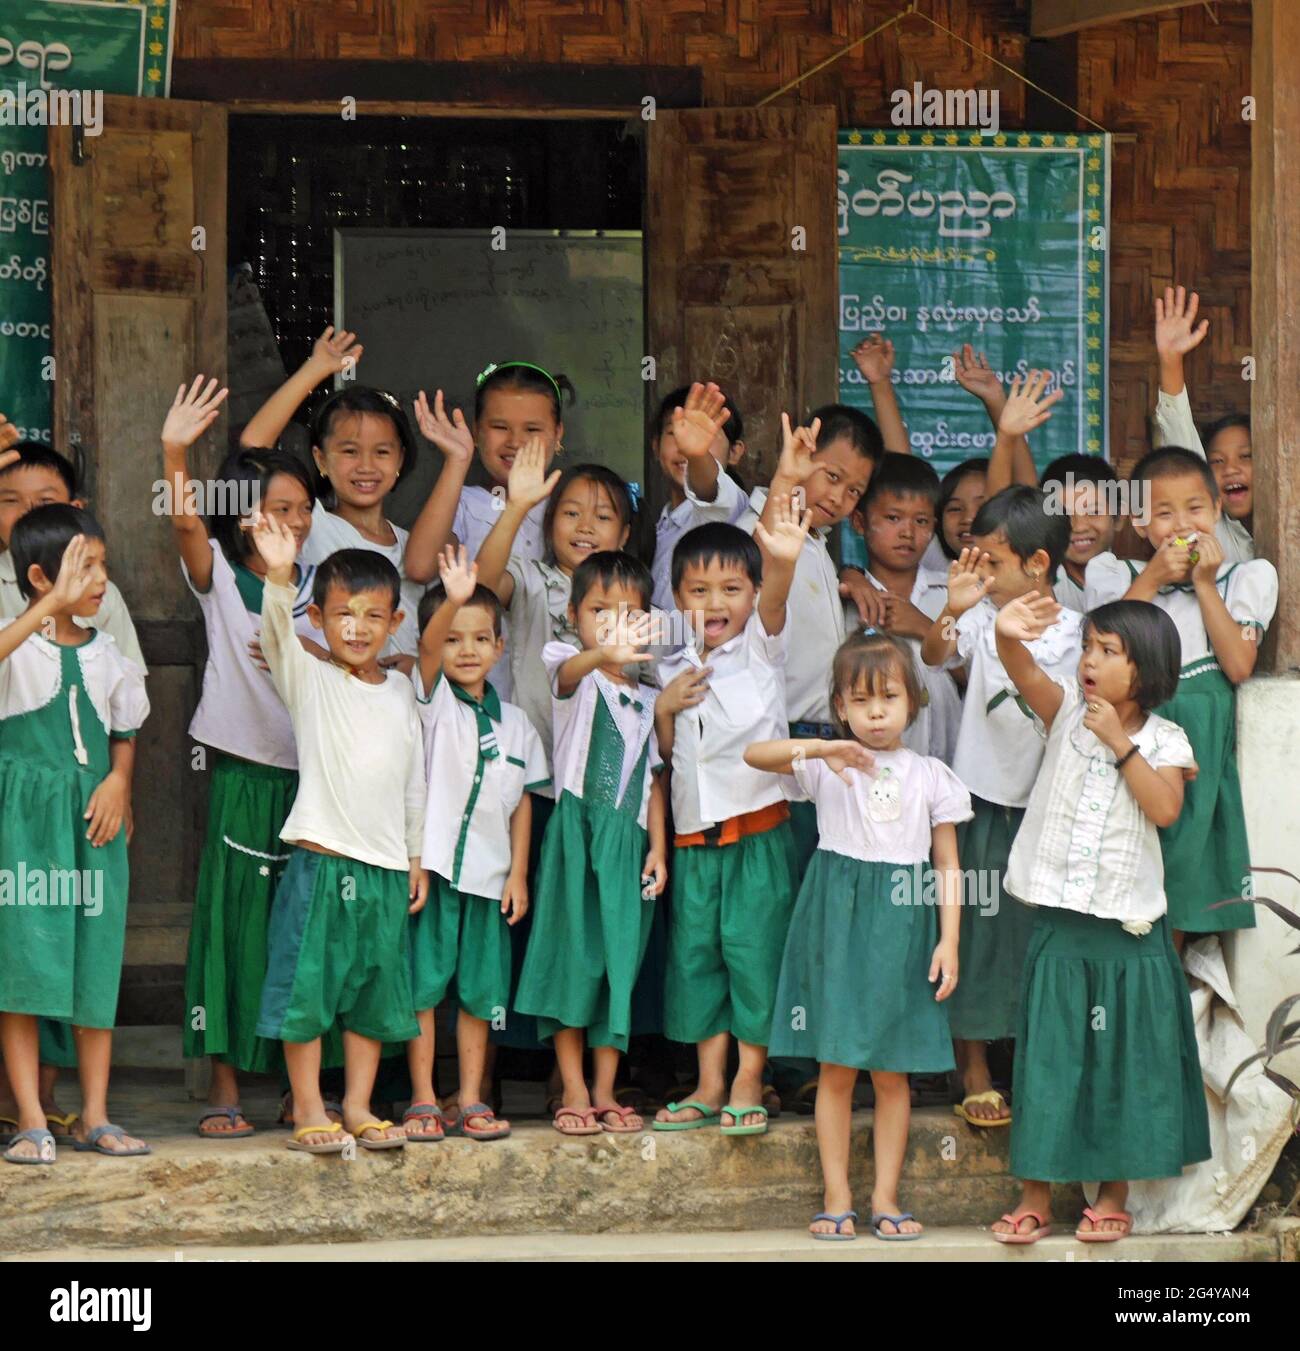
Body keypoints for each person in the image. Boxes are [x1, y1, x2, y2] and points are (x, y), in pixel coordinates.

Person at [988, 595, 1211, 1243]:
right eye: (1088, 646)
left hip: (1129, 934)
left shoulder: (1166, 738)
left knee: (1123, 1062)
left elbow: (1165, 808)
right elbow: (1022, 670)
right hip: (1062, 930)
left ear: (1144, 669)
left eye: (1108, 651)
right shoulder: (1063, 713)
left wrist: (1119, 742)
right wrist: (1006, 634)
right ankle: (1035, 1196)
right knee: (1050, 1061)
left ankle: (1113, 1194)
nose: (1090, 660)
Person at [745, 632, 968, 1240]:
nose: (876, 712)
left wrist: (948, 940)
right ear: (839, 707)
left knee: (893, 1073)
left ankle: (887, 1197)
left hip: (903, 925)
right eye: (860, 700)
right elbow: (755, 756)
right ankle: (836, 1193)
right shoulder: (828, 766)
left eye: (889, 697)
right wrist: (822, 752)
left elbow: (948, 866)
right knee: (837, 1067)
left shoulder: (932, 776)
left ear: (913, 702)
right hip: (836, 923)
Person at [162, 376, 335, 1138]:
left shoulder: (321, 596)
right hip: (239, 777)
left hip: (316, 784)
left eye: (302, 508)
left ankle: (303, 1092)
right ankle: (225, 1083)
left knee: (304, 927)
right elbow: (187, 528)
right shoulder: (222, 584)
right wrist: (175, 452)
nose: (293, 520)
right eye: (277, 509)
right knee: (234, 922)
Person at [249, 519, 426, 1155]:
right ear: (318, 620)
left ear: (395, 621)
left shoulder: (404, 690)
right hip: (321, 863)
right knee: (307, 992)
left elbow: (413, 782)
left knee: (372, 997)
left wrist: (415, 857)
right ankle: (306, 1107)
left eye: (371, 615)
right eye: (341, 614)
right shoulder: (311, 681)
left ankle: (356, 1104)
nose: (356, 627)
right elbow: (275, 639)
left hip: (383, 870)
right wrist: (277, 578)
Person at [921, 486, 1082, 1127]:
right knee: (976, 934)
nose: (977, 573)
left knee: (1034, 937)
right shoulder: (979, 620)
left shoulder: (1076, 632)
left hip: (1044, 808)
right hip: (979, 801)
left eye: (991, 561)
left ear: (1037, 566)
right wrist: (949, 612)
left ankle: (1032, 1068)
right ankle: (975, 1071)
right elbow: (936, 657)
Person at [0, 438, 145, 1140]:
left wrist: (119, 779)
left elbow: (126, 729)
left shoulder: (108, 651)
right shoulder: (14, 643)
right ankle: (30, 1115)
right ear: (37, 575)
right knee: (24, 958)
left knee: (95, 957)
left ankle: (93, 1113)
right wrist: (42, 607)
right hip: (25, 823)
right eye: (84, 569)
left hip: (93, 820)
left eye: (102, 566)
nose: (99, 581)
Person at [651, 501, 808, 1136]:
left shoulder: (760, 650)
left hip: (758, 836)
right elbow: (665, 757)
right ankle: (709, 1083)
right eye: (698, 590)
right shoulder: (669, 663)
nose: (715, 602)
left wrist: (784, 565)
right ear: (677, 596)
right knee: (697, 960)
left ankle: (750, 1077)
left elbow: (775, 602)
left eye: (731, 589)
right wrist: (664, 707)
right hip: (694, 842)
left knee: (753, 957)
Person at [1084, 446, 1277, 939]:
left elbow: (1238, 665)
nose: (1180, 524)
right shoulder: (1115, 573)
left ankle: (1177, 986)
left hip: (1200, 749)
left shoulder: (1248, 577)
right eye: (1163, 513)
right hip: (1129, 739)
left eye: (1194, 509)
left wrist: (1206, 585)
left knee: (1187, 873)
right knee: (1127, 865)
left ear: (1216, 511)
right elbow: (1106, 644)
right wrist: (1153, 576)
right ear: (1140, 523)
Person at [513, 552, 669, 1135]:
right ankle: (572, 1086)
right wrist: (604, 651)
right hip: (576, 836)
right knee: (571, 959)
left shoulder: (649, 699)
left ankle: (605, 1088)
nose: (612, 623)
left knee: (615, 966)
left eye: (628, 613)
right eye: (598, 611)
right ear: (573, 616)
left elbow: (653, 781)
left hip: (626, 845)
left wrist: (658, 848)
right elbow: (574, 671)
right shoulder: (569, 670)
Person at [404, 547, 549, 1142]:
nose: (466, 649)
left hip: (490, 882)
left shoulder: (518, 724)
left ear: (500, 647)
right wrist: (455, 597)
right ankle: (420, 1097)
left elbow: (522, 804)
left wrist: (517, 874)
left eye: (479, 638)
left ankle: (469, 1097)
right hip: (435, 873)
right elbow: (427, 652)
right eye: (453, 637)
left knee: (479, 997)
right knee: (421, 989)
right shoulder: (431, 700)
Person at [240, 326, 424, 662]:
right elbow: (254, 448)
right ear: (320, 459)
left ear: (401, 459)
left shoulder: (413, 545)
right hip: (332, 706)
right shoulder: (311, 525)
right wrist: (316, 370)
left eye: (382, 452)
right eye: (350, 451)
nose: (366, 466)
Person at [404, 360, 576, 699]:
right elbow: (420, 567)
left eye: (533, 429)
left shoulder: (571, 507)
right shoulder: (462, 503)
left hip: (551, 697)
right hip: (471, 696)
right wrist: (457, 460)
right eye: (499, 427)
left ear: (558, 435)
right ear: (477, 430)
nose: (515, 442)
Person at [843, 453, 960, 762]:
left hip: (948, 765)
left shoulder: (952, 592)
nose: (908, 532)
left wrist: (925, 628)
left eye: (920, 521)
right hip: (870, 768)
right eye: (893, 518)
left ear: (933, 527)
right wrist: (847, 574)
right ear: (859, 521)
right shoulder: (846, 598)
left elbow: (976, 677)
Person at [983, 369, 1118, 612]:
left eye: (1093, 511)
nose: (1078, 525)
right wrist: (1006, 436)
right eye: (1064, 514)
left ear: (1119, 518)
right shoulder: (1041, 573)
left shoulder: (1128, 575)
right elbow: (1002, 514)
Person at [1151, 286, 1253, 561]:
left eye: (1246, 456)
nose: (1231, 469)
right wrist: (1171, 360)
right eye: (1217, 461)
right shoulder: (1212, 532)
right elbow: (1179, 430)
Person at [644, 382, 748, 615]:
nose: (684, 446)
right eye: (674, 433)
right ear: (655, 446)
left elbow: (708, 490)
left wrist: (697, 454)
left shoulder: (734, 507)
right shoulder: (651, 528)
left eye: (706, 435)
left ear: (735, 451)